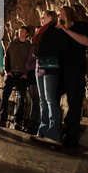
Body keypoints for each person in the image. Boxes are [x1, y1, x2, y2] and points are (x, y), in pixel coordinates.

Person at [56, 5, 88, 147]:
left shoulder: (80, 26)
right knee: (53, 97)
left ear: (68, 12)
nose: (59, 14)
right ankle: (56, 129)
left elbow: (87, 41)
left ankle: (72, 137)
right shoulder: (60, 29)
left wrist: (66, 31)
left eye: (61, 12)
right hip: (61, 70)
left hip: (75, 70)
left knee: (74, 103)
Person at [33, 10, 68, 145]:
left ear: (50, 18)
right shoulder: (41, 31)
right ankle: (43, 130)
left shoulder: (55, 29)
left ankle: (54, 134)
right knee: (42, 98)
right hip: (39, 64)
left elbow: (62, 46)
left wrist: (46, 50)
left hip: (51, 64)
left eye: (43, 16)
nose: (41, 19)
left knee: (50, 98)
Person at [0, 26, 31, 130]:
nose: (20, 32)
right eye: (19, 31)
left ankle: (18, 122)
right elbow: (6, 57)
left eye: (22, 31)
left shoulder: (29, 46)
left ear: (27, 34)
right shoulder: (12, 44)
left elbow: (31, 60)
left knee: (21, 99)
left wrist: (27, 74)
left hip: (22, 74)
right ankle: (2, 119)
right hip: (12, 73)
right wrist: (8, 71)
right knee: (5, 95)